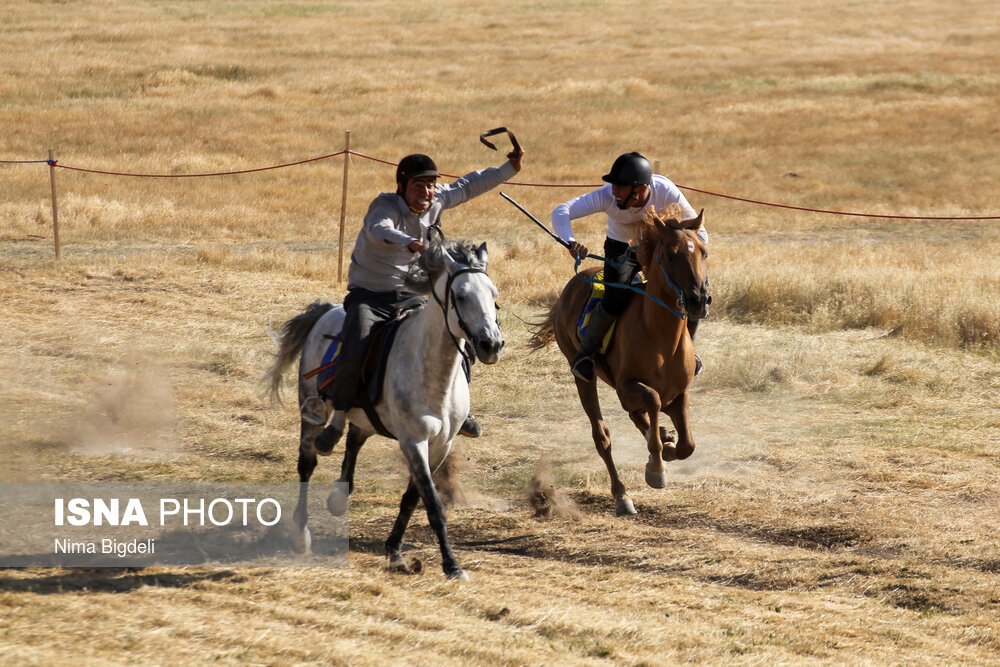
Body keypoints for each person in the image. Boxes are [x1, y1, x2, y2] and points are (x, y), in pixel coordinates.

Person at [314, 148, 525, 453]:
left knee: (453, 334)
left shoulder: (436, 199)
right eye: (418, 185)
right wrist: (409, 241)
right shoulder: (383, 206)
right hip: (370, 296)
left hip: (410, 295)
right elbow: (379, 229)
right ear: (401, 186)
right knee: (357, 341)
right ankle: (337, 420)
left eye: (430, 185)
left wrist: (509, 169)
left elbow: (467, 185)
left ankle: (459, 410)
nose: (426, 192)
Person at [550, 151, 707, 382]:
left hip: (660, 249)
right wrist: (571, 241)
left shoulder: (666, 191)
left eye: (621, 187)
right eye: (614, 186)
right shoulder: (607, 196)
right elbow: (561, 211)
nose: (614, 191)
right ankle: (585, 356)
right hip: (621, 248)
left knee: (694, 292)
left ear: (641, 188)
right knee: (615, 297)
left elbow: (700, 233)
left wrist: (684, 252)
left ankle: (686, 352)